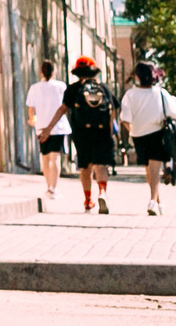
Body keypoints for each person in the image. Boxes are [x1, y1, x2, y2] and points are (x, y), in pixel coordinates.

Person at [38, 56, 120, 213]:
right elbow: (114, 108)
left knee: (85, 166)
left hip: (81, 133)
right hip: (102, 132)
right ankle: (102, 192)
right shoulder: (103, 88)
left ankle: (88, 199)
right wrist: (110, 128)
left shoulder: (73, 89)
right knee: (101, 165)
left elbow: (62, 109)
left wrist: (48, 129)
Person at [118, 61, 176, 217]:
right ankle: (153, 201)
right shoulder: (160, 93)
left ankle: (156, 201)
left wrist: (134, 130)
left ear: (137, 76)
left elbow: (125, 120)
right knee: (153, 170)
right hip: (157, 134)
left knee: (150, 170)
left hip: (138, 136)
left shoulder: (130, 95)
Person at [24, 59, 71, 200]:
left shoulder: (34, 88)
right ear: (54, 71)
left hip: (41, 126)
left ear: (41, 72)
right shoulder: (61, 86)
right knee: (55, 157)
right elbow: (65, 105)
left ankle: (48, 187)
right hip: (58, 126)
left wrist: (32, 119)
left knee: (45, 157)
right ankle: (54, 188)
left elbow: (31, 108)